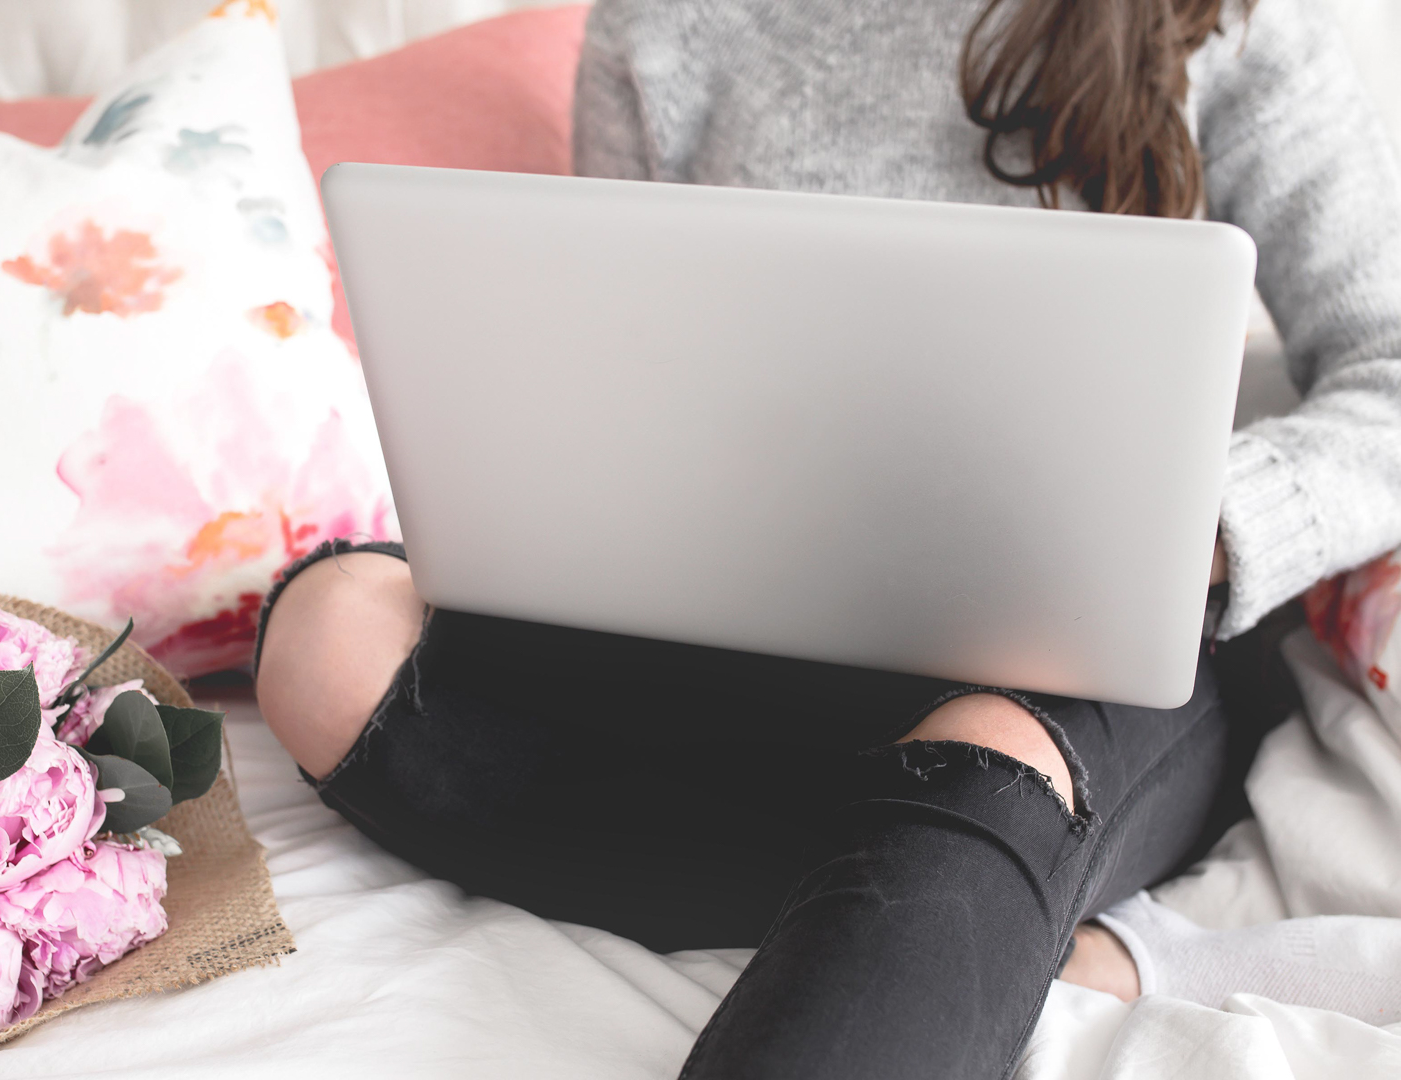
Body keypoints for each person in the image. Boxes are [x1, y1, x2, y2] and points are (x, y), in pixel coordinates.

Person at [255, 0, 1401, 1075]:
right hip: (758, 637)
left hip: (1087, 656)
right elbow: (634, 355)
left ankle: (961, 832)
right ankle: (958, 869)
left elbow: (1389, 370)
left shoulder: (1243, 29)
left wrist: (1201, 525)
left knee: (989, 742)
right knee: (329, 633)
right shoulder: (662, 26)